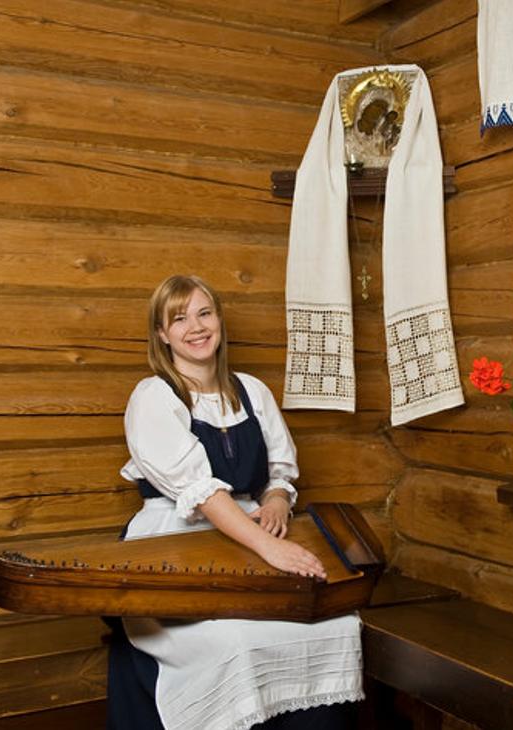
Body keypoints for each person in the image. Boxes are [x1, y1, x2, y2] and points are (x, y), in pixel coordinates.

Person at [107, 275, 362, 730]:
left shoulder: (252, 391)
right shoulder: (154, 396)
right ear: (162, 334)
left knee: (336, 626)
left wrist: (277, 501)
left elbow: (279, 473)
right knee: (236, 642)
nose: (196, 327)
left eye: (204, 313)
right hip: (172, 539)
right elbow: (201, 493)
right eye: (179, 319)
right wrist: (271, 548)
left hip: (249, 533)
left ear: (219, 319)